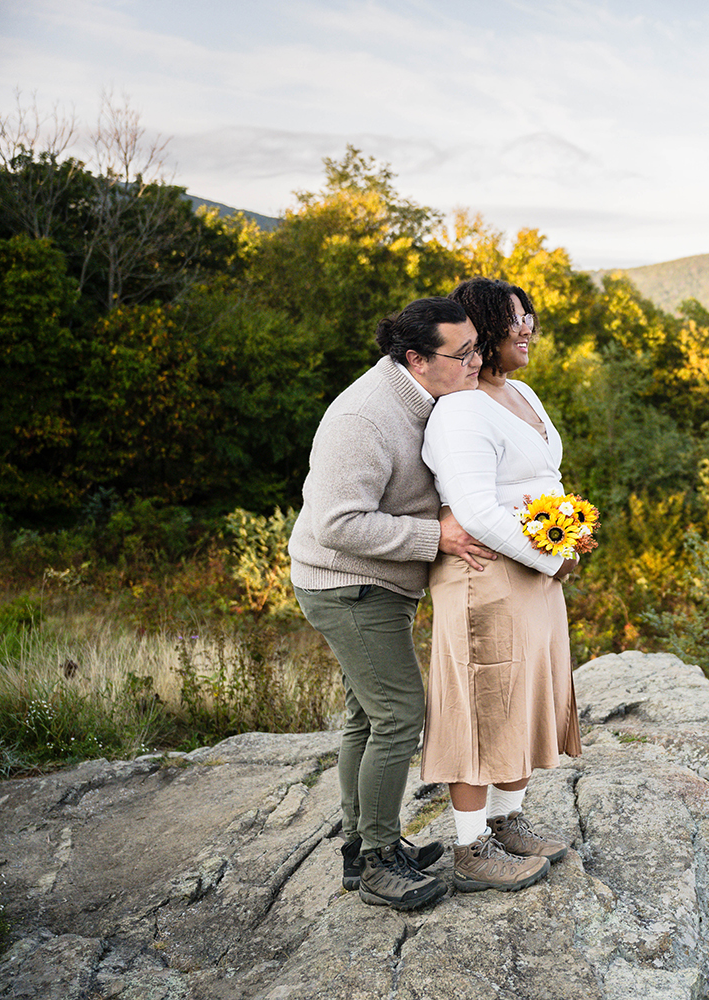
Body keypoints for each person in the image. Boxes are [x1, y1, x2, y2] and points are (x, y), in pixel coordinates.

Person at [289, 296, 496, 911]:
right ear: (415, 358)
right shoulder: (366, 417)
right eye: (462, 355)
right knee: (401, 715)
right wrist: (438, 537)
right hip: (347, 586)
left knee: (366, 717)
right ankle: (380, 862)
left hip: (375, 585)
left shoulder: (426, 399)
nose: (474, 363)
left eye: (477, 349)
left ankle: (364, 848)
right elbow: (337, 523)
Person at [419, 277, 582, 893]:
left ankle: (509, 820)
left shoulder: (524, 394)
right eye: (513, 318)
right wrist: (550, 559)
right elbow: (478, 511)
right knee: (483, 698)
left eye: (530, 314)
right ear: (484, 329)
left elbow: (547, 474)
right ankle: (469, 845)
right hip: (485, 575)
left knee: (523, 693)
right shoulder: (460, 410)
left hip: (536, 570)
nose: (527, 327)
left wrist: (567, 536)